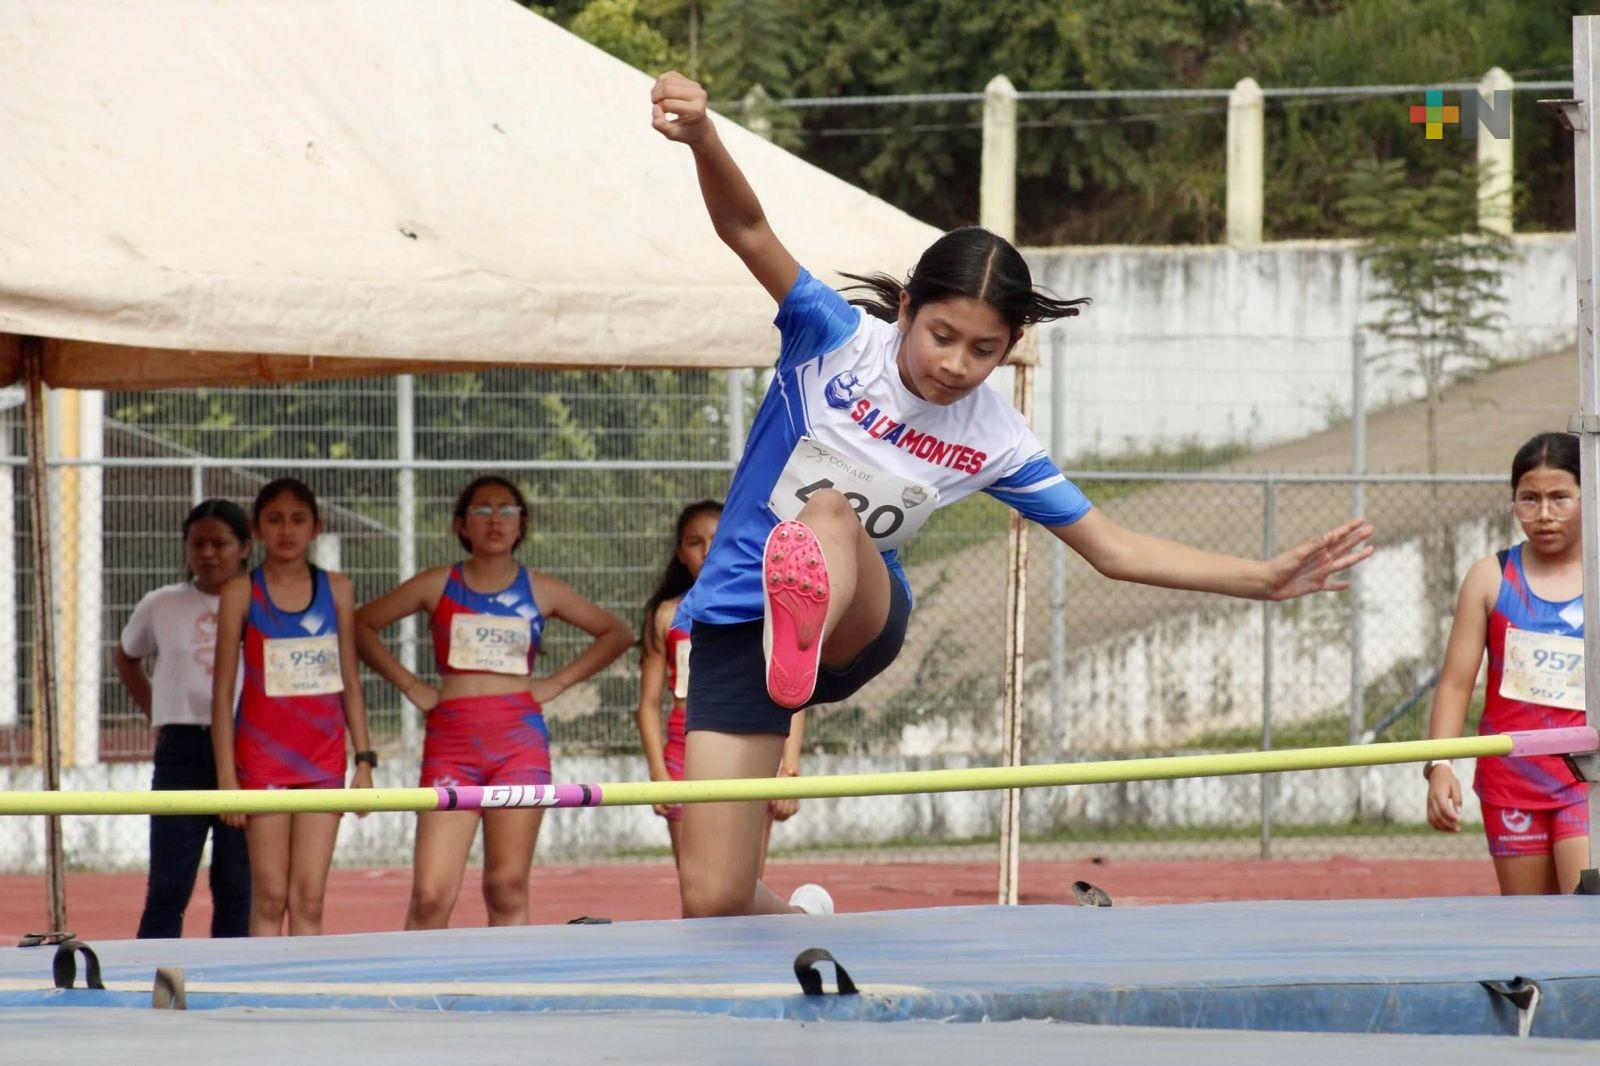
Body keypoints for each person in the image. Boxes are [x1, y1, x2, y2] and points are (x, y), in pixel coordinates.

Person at [649, 70, 1375, 919]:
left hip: (856, 619)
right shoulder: (831, 340)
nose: (955, 365)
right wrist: (704, 136)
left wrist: (1261, 578)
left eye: (983, 350)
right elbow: (746, 226)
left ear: (1012, 346)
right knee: (715, 899)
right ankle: (816, 938)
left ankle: (804, 615)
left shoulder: (994, 435)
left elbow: (1111, 547)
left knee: (829, 514)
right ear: (909, 308)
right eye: (942, 336)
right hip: (736, 627)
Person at [356, 476, 633, 928]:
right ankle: (413, 994)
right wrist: (412, 687)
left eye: (507, 510)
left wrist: (557, 684)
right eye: (481, 510)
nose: (495, 520)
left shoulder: (542, 589)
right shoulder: (437, 583)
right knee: (430, 894)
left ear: (522, 523)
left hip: (518, 745)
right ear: (461, 525)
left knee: (506, 887)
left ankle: (510, 995)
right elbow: (361, 625)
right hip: (452, 743)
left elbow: (616, 633)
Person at [1425, 432, 1591, 894]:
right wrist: (1439, 765)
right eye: (1528, 499)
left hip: (1586, 776)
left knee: (1586, 911)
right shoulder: (1489, 577)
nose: (1543, 514)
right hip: (1512, 778)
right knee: (1531, 927)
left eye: (1560, 497)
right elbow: (1456, 685)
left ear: (1590, 494)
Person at [211, 478, 373, 937]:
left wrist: (364, 759)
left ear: (316, 528)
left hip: (322, 759)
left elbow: (349, 680)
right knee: (270, 896)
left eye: (298, 520)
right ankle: (264, 998)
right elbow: (222, 693)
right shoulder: (240, 593)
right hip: (261, 761)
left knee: (310, 898)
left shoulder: (337, 590)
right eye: (275, 520)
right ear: (256, 529)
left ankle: (305, 998)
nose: (287, 530)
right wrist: (227, 779)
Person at [636, 501, 805, 868]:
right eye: (695, 542)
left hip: (750, 742)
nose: (708, 550)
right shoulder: (666, 614)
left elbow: (792, 692)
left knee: (746, 881)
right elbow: (648, 704)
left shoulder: (762, 609)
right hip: (684, 749)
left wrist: (789, 768)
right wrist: (658, 773)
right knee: (697, 885)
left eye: (717, 538)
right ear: (681, 552)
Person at [117, 499, 253, 939]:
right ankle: (148, 974)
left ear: (246, 547)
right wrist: (156, 709)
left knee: (236, 882)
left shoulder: (264, 603)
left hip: (248, 751)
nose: (209, 553)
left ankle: (230, 985)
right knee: (169, 884)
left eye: (221, 543)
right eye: (198, 544)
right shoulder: (161, 604)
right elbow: (126, 657)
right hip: (181, 751)